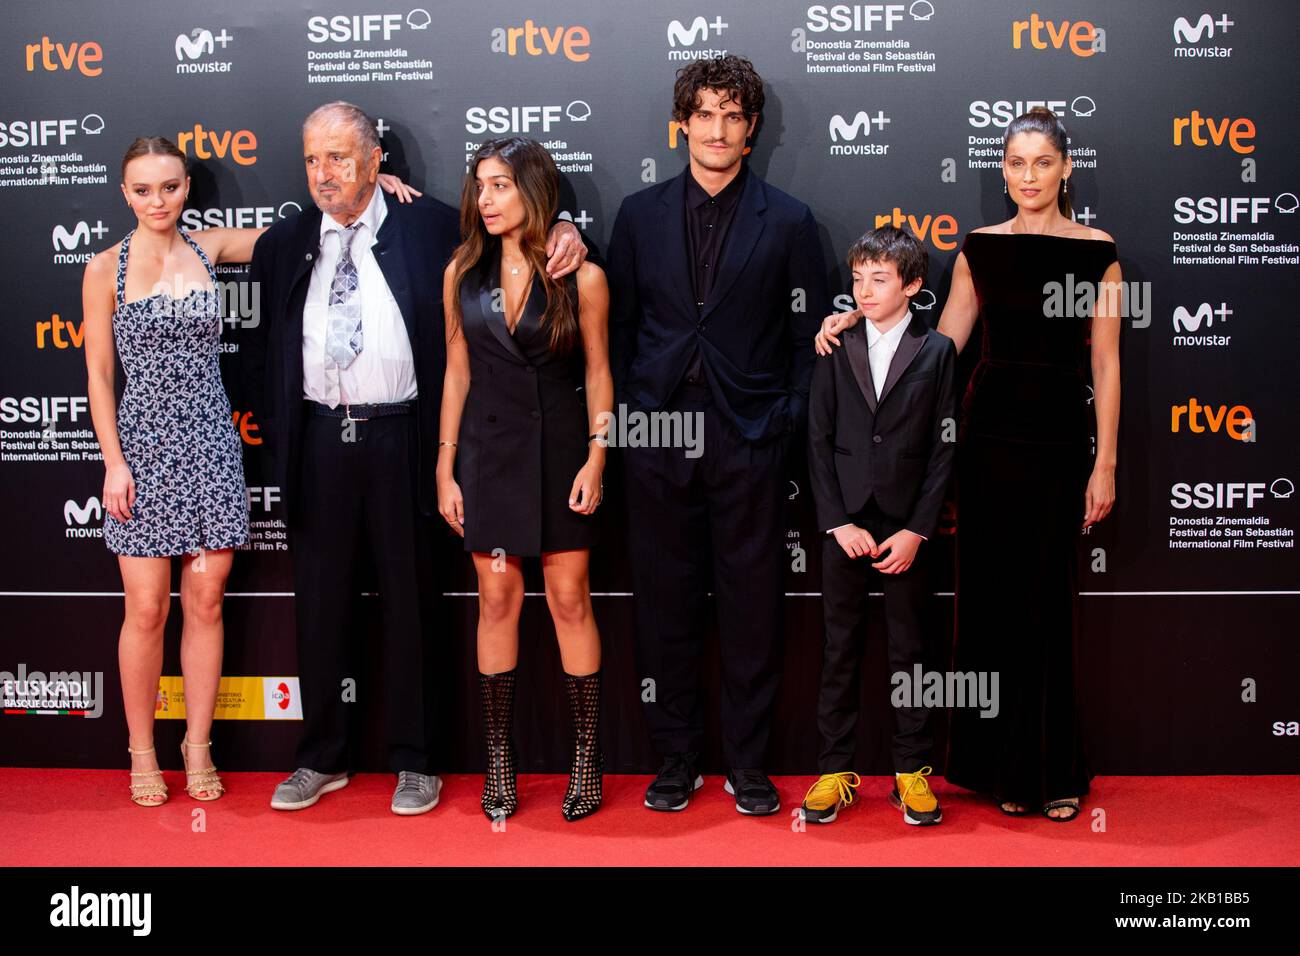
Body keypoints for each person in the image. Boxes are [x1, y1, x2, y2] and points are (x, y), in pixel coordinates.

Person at [242, 101, 590, 816]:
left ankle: (416, 760)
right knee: (318, 610)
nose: (323, 173)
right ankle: (320, 757)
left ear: (377, 163)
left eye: (339, 157)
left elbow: (513, 233)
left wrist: (566, 227)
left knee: (411, 605)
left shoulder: (432, 227)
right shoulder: (284, 244)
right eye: (312, 158)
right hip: (316, 440)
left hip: (402, 435)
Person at [83, 136, 419, 808]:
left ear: (186, 189)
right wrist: (113, 462)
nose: (158, 201)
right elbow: (96, 374)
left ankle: (197, 746)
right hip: (142, 449)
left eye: (171, 187)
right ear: (125, 194)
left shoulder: (211, 249)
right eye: (144, 189)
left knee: (206, 602)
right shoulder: (105, 269)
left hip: (211, 443)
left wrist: (375, 190)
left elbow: (311, 224)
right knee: (146, 609)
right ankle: (142, 752)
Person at [816, 107, 1120, 821]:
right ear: (1004, 169)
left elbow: (1105, 363)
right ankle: (997, 769)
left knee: (1047, 605)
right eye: (1015, 163)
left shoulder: (1096, 249)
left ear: (1067, 167)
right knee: (989, 608)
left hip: (1056, 440)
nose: (1028, 176)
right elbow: (940, 344)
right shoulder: (979, 248)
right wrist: (860, 320)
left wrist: (1104, 463)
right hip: (985, 445)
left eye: (1043, 162)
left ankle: (1053, 770)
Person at [607, 55, 831, 815]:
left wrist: (786, 423)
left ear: (751, 129)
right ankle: (674, 760)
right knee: (664, 605)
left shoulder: (792, 221)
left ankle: (749, 764)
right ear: (683, 124)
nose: (717, 128)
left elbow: (809, 342)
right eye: (703, 113)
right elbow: (622, 328)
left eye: (732, 115)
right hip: (658, 435)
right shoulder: (638, 216)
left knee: (752, 607)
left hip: (749, 437)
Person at [437, 137, 612, 822]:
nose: (486, 198)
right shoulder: (462, 272)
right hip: (489, 455)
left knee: (569, 599)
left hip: (564, 453)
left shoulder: (582, 276)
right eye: (480, 185)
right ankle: (500, 761)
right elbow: (457, 371)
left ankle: (586, 761)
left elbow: (599, 371)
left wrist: (599, 457)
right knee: (497, 600)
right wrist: (444, 465)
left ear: (535, 191)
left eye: (502, 185)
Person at [803, 226, 956, 826]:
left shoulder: (937, 350)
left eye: (880, 278)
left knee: (910, 653)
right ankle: (834, 770)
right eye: (858, 277)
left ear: (913, 286)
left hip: (906, 528)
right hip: (845, 524)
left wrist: (919, 529)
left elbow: (945, 447)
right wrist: (836, 522)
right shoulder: (833, 345)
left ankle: (910, 774)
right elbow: (816, 439)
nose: (864, 290)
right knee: (839, 648)